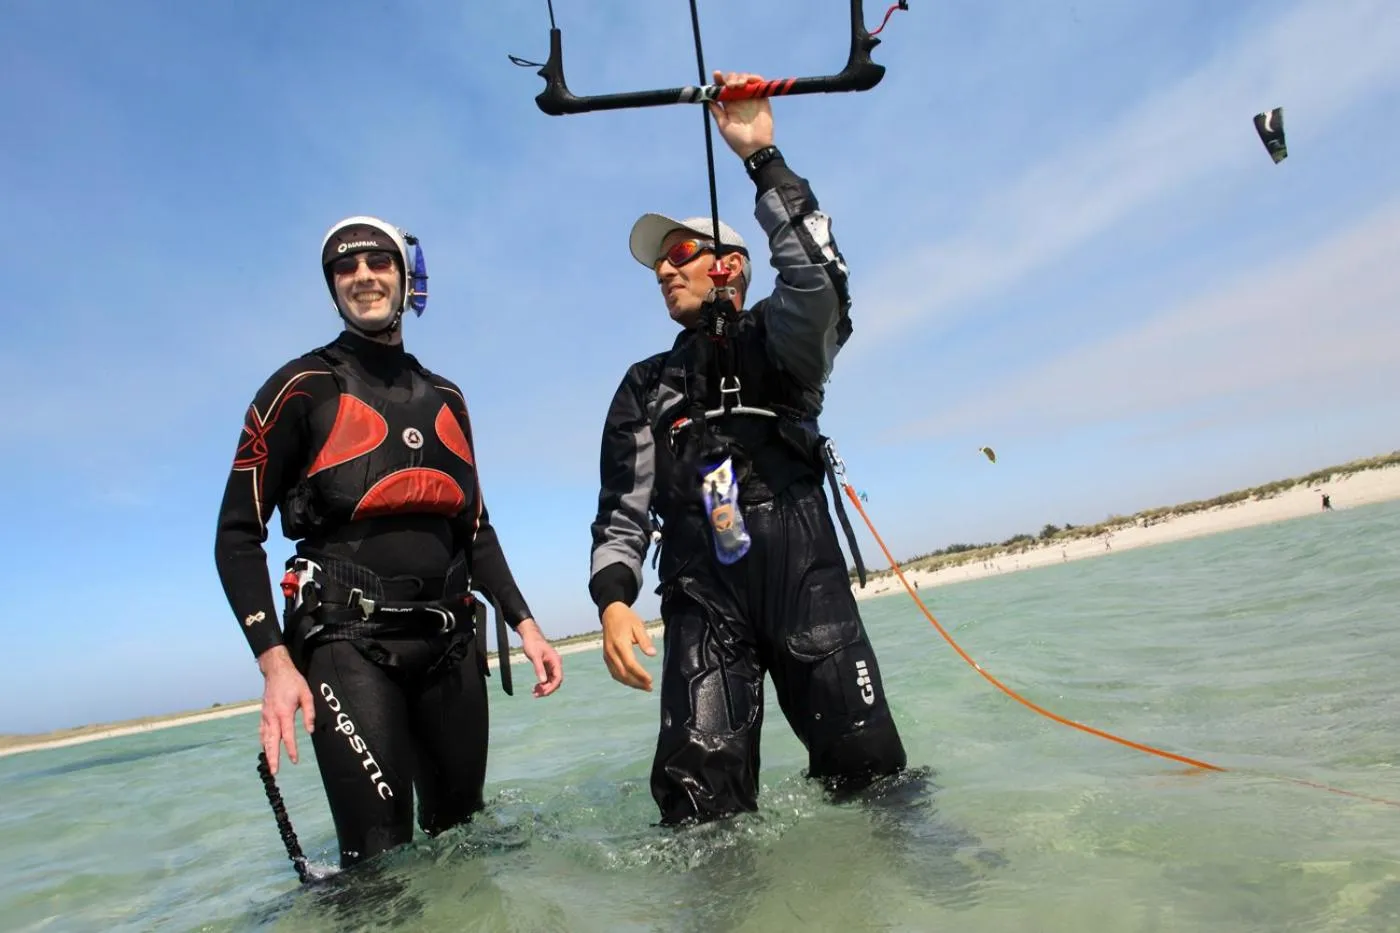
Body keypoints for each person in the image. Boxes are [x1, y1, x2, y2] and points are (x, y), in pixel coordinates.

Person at [588, 71, 909, 826]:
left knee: (874, 777)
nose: (664, 269)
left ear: (727, 264)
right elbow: (621, 513)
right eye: (659, 263)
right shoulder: (645, 383)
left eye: (679, 253)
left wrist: (760, 157)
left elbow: (820, 276)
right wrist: (611, 601)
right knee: (700, 814)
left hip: (806, 574)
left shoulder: (786, 338)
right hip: (702, 595)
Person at [213, 215, 563, 869]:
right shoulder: (300, 388)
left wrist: (527, 623)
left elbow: (475, 527)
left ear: (406, 279)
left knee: (465, 838)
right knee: (377, 861)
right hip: (348, 645)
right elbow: (236, 534)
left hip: (451, 640)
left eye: (378, 261)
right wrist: (274, 661)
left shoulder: (448, 397)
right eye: (345, 267)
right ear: (333, 287)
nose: (363, 275)